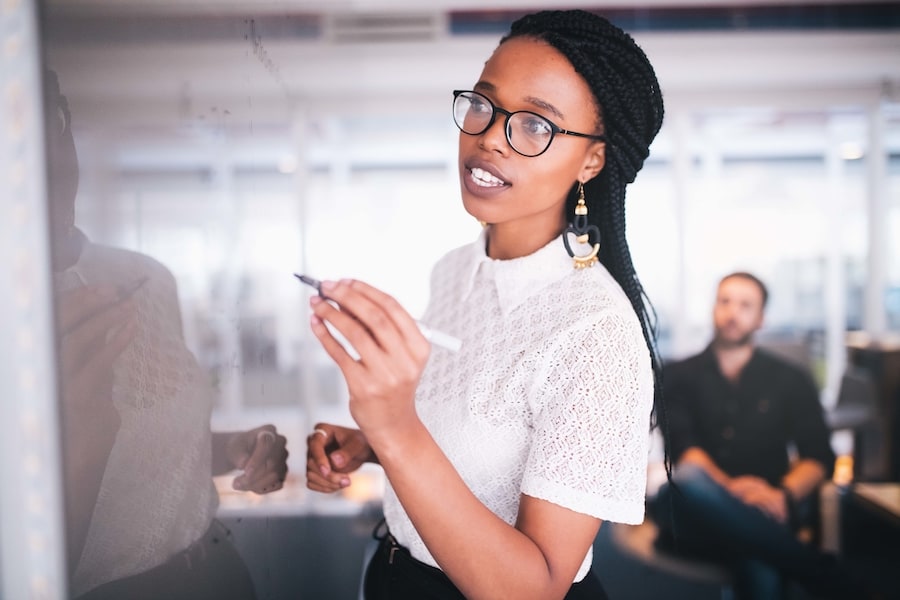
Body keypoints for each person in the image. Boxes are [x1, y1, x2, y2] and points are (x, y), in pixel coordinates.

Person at [305, 10, 664, 600]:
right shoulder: (453, 270)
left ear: (591, 160)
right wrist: (370, 443)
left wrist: (393, 426)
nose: (490, 135)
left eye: (535, 125)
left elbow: (534, 589)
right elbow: (472, 441)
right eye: (483, 105)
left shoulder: (596, 330)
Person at [44, 69, 290, 600]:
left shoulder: (147, 276)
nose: (47, 155)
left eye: (54, 119)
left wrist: (239, 450)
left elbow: (155, 453)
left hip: (220, 572)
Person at [651, 272, 871, 599]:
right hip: (694, 507)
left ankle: (769, 534)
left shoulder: (790, 379)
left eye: (745, 305)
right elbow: (685, 452)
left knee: (756, 554)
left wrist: (782, 496)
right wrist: (732, 494)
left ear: (761, 319)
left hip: (773, 504)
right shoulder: (678, 375)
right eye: (724, 301)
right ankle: (831, 579)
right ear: (713, 309)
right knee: (689, 479)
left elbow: (818, 456)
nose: (732, 313)